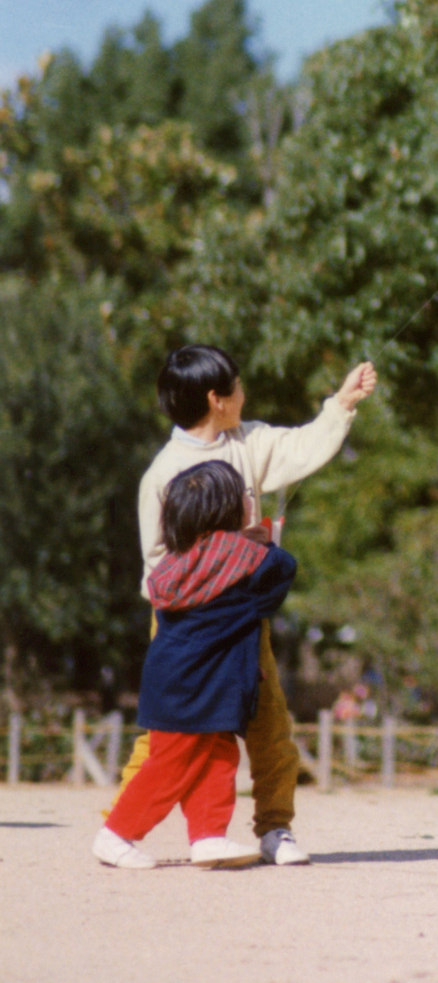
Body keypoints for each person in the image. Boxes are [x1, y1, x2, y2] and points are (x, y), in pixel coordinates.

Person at [114, 342, 377, 865]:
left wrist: (341, 404)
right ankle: (121, 828)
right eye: (236, 384)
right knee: (167, 730)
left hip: (241, 619)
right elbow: (156, 566)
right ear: (217, 398)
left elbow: (301, 448)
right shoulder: (161, 474)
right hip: (182, 623)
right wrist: (213, 581)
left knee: (268, 723)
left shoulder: (248, 441)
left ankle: (273, 828)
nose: (243, 391)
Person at [95, 460, 297, 869]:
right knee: (170, 766)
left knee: (219, 757)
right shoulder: (246, 557)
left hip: (175, 685)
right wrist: (267, 545)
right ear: (228, 508)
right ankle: (116, 834)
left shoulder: (178, 560)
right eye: (244, 495)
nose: (248, 501)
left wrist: (244, 543)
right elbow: (281, 574)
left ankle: (208, 837)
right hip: (200, 689)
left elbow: (224, 564)